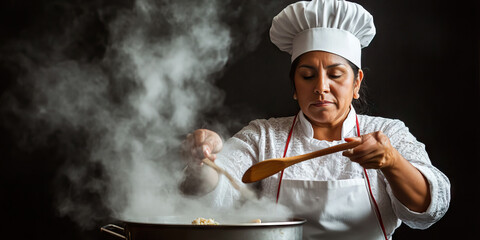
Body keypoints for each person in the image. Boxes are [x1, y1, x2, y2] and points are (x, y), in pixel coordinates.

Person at [180, 0, 450, 239]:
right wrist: (204, 159)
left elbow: (428, 208)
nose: (321, 87)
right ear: (294, 88)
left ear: (356, 83)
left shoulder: (387, 132)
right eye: (307, 76)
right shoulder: (263, 136)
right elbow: (217, 189)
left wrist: (392, 162)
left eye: (335, 75)